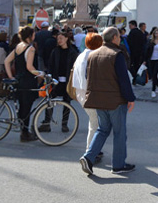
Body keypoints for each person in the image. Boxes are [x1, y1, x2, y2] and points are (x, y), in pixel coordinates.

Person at [80, 27, 136, 175]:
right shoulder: (116, 55)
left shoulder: (93, 54)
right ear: (114, 38)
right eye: (119, 36)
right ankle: (118, 165)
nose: (120, 38)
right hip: (115, 100)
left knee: (102, 129)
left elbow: (88, 76)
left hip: (98, 99)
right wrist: (130, 98)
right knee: (119, 132)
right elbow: (124, 80)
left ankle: (89, 156)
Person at [4, 27, 44, 141]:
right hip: (28, 81)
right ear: (29, 36)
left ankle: (24, 131)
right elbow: (29, 67)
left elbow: (7, 61)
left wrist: (11, 76)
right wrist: (41, 74)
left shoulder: (18, 46)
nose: (34, 36)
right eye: (33, 34)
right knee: (27, 108)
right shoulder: (30, 48)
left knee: (22, 106)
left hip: (18, 80)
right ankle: (25, 133)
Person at [39, 30, 79, 133]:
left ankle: (64, 124)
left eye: (61, 38)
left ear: (66, 39)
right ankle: (47, 123)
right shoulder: (55, 51)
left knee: (67, 102)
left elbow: (76, 67)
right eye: (58, 39)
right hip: (55, 81)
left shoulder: (72, 52)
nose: (59, 40)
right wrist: (49, 77)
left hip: (67, 82)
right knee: (50, 102)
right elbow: (50, 65)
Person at [71, 32, 104, 157]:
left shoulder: (82, 55)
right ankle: (90, 152)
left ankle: (93, 149)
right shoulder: (93, 56)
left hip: (81, 94)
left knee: (94, 122)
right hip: (90, 95)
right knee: (95, 124)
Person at [144, 28, 158, 97]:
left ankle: (153, 91)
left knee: (154, 74)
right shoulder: (151, 41)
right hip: (151, 60)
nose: (157, 35)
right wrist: (144, 60)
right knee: (153, 75)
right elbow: (147, 51)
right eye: (156, 33)